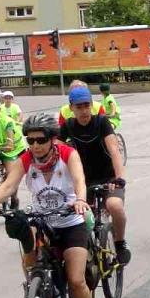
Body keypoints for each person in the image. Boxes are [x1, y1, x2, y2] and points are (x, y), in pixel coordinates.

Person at [0, 114, 98, 298]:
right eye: (30, 140)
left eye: (40, 140)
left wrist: (79, 199)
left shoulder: (67, 154)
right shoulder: (26, 159)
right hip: (43, 221)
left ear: (52, 139)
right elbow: (9, 184)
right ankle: (32, 284)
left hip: (71, 221)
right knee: (24, 230)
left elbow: (79, 179)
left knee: (77, 280)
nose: (34, 145)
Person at [60, 85, 131, 265]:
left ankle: (120, 243)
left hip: (108, 179)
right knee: (78, 218)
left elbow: (114, 151)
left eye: (87, 105)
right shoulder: (68, 126)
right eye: (79, 107)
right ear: (71, 108)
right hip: (82, 181)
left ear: (92, 105)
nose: (84, 111)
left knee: (115, 205)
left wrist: (119, 178)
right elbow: (56, 153)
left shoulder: (101, 122)